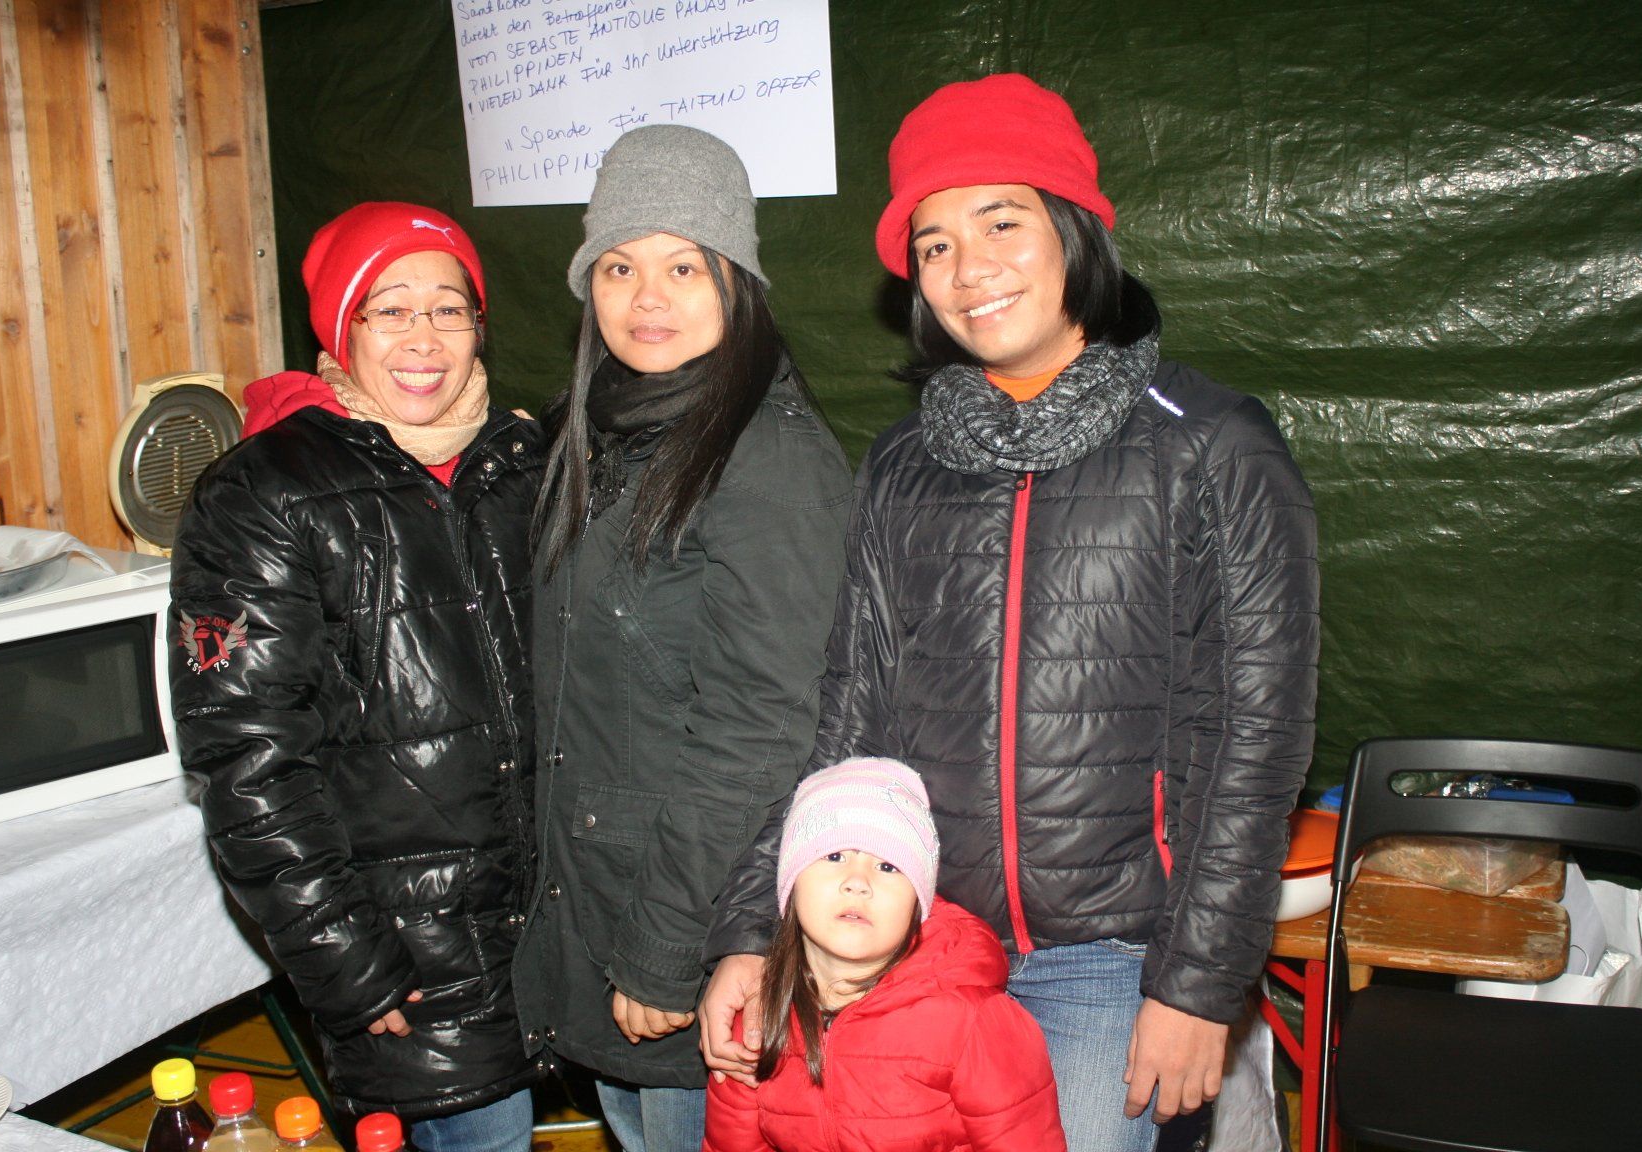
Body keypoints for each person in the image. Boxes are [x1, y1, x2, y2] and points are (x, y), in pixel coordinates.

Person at [700, 73, 1320, 1151]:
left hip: (1118, 954)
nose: (968, 268)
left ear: (1075, 231)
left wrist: (1198, 983)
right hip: (924, 939)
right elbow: (852, 721)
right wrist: (758, 930)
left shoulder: (1212, 445)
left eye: (1001, 223)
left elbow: (1258, 737)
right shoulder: (904, 463)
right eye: (934, 244)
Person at [170, 203, 545, 1150]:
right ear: (342, 329)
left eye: (449, 308)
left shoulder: (522, 463)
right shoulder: (262, 493)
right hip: (411, 963)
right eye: (390, 309)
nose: (424, 338)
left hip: (559, 930)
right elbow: (246, 761)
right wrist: (344, 959)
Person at [514, 125, 853, 1152]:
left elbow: (762, 728)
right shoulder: (604, 434)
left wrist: (666, 946)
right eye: (619, 266)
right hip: (604, 907)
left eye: (683, 266)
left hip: (691, 931)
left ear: (736, 283)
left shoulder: (768, 459)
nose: (646, 297)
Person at [703, 758, 1067, 1152]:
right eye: (834, 856)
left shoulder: (974, 1023)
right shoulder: (757, 1016)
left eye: (888, 866)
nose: (858, 882)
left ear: (917, 904)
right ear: (790, 883)